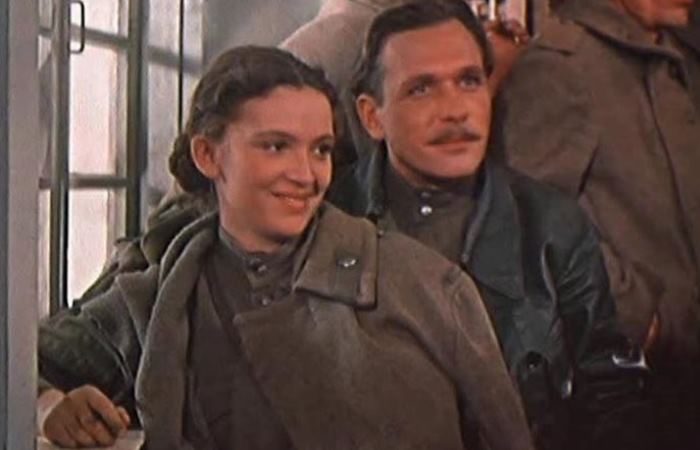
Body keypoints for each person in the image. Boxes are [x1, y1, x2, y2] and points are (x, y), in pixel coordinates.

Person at [37, 45, 533, 450]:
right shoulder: (156, 295)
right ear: (208, 155)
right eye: (276, 146)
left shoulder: (425, 286)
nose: (306, 174)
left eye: (320, 150)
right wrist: (51, 407)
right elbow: (27, 365)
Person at [329, 1, 651, 449]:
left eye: (469, 81)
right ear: (372, 116)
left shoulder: (551, 225)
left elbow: (610, 391)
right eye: (421, 89)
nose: (454, 110)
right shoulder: (327, 223)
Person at [495, 0, 700, 446]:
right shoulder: (560, 68)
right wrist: (643, 319)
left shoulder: (675, 53)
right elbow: (533, 220)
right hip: (645, 392)